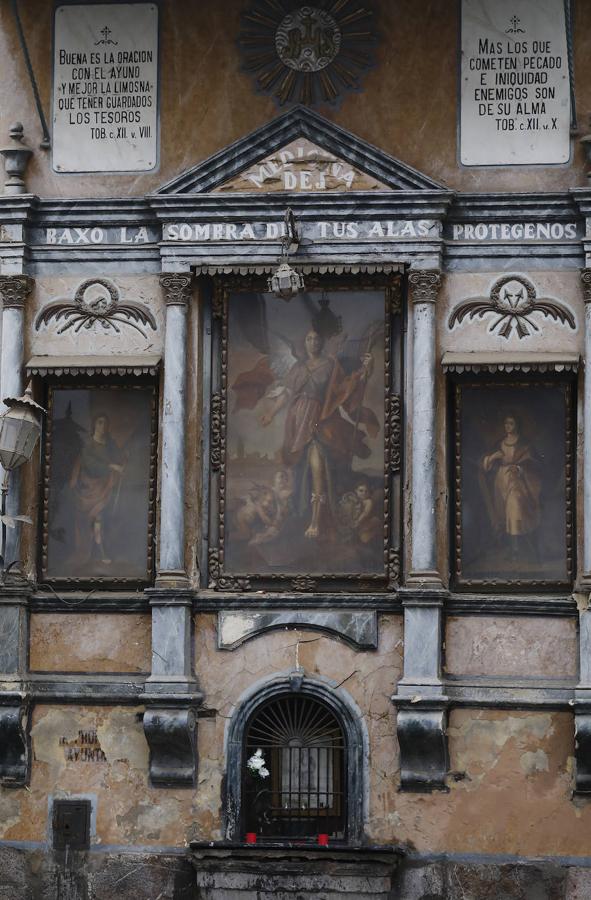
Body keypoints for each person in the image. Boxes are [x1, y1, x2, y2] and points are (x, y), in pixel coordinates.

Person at [259, 329, 377, 540]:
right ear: (304, 342)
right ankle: (302, 515)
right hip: (297, 421)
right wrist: (271, 412)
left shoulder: (331, 365)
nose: (313, 342)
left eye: (317, 338)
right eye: (309, 338)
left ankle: (316, 521)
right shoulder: (298, 367)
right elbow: (286, 393)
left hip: (320, 421)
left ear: (322, 342)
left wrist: (364, 372)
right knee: (302, 468)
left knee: (317, 469)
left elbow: (343, 389)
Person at [480, 413, 542, 560]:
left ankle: (515, 550)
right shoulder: (499, 443)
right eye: (506, 423)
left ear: (517, 425)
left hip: (518, 482)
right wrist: (493, 457)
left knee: (514, 509)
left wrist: (520, 470)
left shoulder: (524, 444)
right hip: (501, 482)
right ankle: (510, 546)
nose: (508, 426)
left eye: (511, 423)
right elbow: (485, 465)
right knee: (504, 514)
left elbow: (535, 464)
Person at [69, 414, 126, 565]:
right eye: (100, 422)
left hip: (106, 487)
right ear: (94, 424)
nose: (103, 426)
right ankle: (99, 552)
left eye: (105, 423)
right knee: (96, 519)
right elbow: (89, 465)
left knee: (101, 519)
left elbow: (119, 458)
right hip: (89, 489)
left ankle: (100, 551)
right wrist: (111, 466)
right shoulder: (88, 445)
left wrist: (122, 461)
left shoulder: (110, 444)